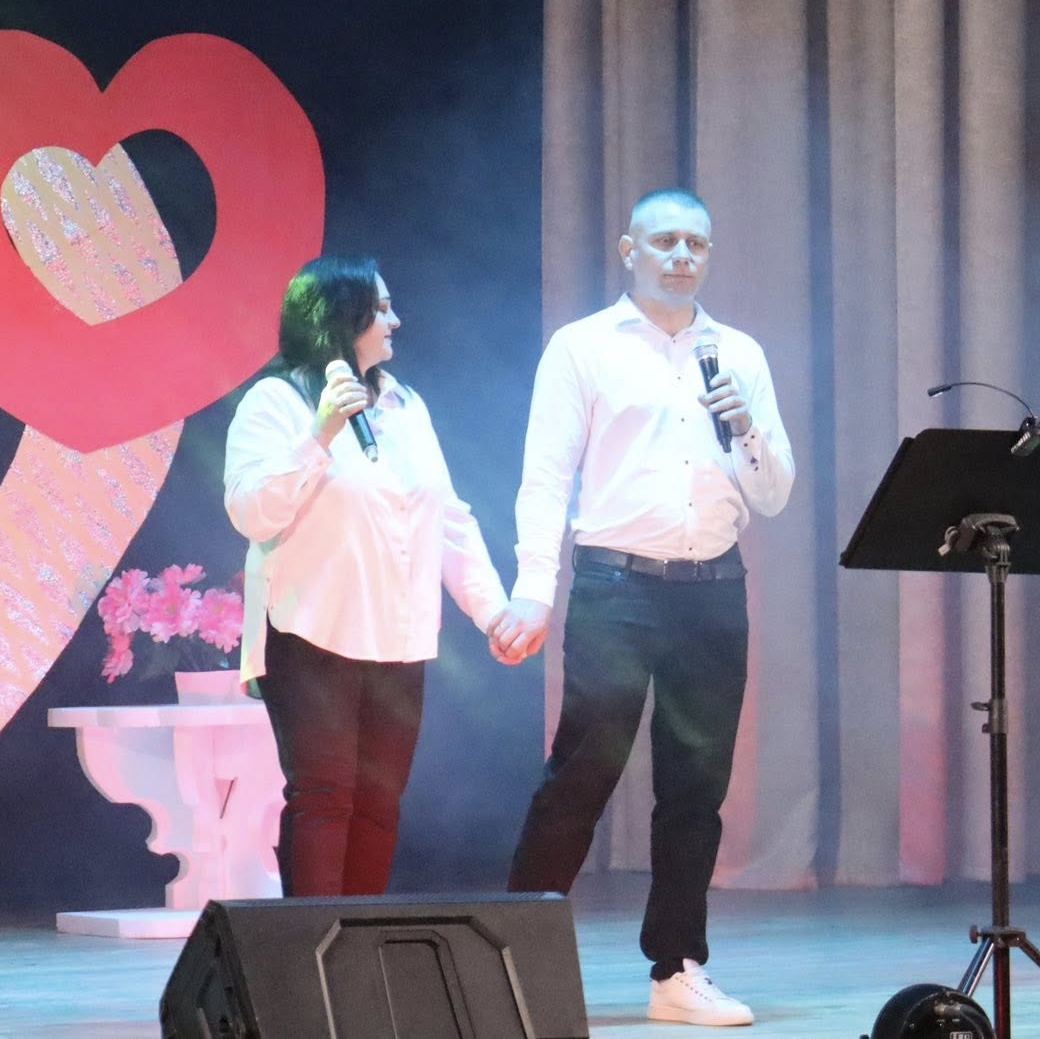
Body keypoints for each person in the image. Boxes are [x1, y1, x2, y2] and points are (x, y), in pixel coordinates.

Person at [487, 188, 794, 1027]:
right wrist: (533, 590)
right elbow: (546, 477)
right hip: (615, 589)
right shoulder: (583, 347)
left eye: (697, 243)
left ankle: (678, 969)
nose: (682, 256)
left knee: (696, 789)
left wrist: (748, 429)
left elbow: (774, 493)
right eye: (665, 241)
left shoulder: (739, 355)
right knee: (581, 776)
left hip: (713, 590)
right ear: (630, 250)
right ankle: (510, 963)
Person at [224, 253, 525, 897]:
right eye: (381, 308)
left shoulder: (405, 404)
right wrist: (319, 435)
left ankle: (359, 944)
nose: (396, 320)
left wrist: (492, 610)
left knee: (379, 802)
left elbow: (448, 517)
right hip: (311, 630)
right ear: (342, 317)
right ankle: (310, 950)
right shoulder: (275, 401)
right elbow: (251, 512)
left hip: (398, 634)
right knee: (323, 796)